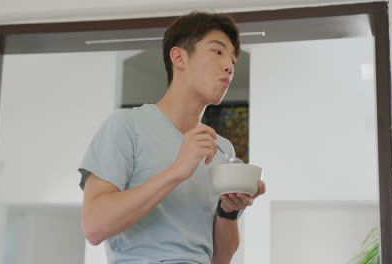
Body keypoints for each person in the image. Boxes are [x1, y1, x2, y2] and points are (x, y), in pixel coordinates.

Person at [78, 11, 266, 264]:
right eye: (217, 52)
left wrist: (229, 212)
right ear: (179, 57)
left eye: (233, 60)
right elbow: (94, 226)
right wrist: (178, 170)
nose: (229, 66)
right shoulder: (125, 126)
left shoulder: (221, 149)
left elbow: (219, 259)